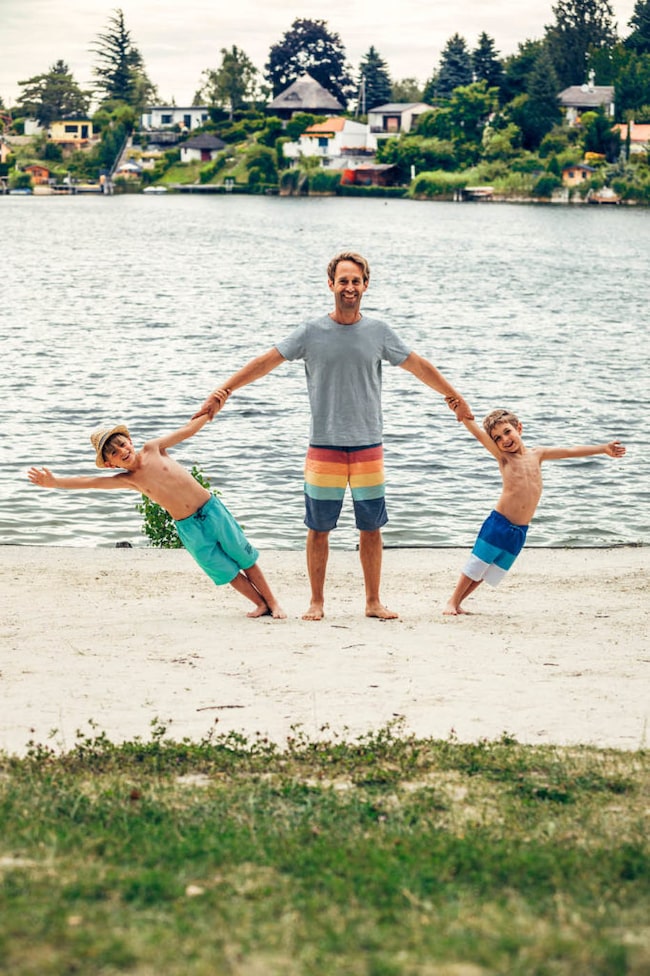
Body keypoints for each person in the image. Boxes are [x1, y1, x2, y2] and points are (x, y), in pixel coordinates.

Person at [193, 250, 472, 621]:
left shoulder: (379, 333)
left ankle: (373, 602)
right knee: (318, 528)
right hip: (323, 446)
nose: (350, 287)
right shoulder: (310, 332)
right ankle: (316, 602)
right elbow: (265, 362)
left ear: (366, 285)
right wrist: (223, 392)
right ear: (331, 285)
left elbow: (418, 365)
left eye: (356, 281)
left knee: (371, 528)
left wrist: (453, 397)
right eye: (343, 281)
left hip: (368, 445)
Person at [27, 415, 286, 619]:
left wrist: (210, 411)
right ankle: (260, 603)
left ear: (129, 439)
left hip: (211, 510)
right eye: (115, 453)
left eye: (122, 444)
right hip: (187, 527)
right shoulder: (128, 480)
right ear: (110, 464)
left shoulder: (154, 449)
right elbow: (90, 482)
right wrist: (56, 482)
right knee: (225, 569)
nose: (122, 451)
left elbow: (187, 430)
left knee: (243, 557)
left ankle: (273, 601)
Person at [444, 407, 626, 615]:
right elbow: (478, 434)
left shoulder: (538, 454)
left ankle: (459, 603)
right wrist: (463, 415)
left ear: (518, 428)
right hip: (499, 524)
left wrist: (603, 449)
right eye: (497, 438)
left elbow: (569, 451)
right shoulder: (504, 458)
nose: (504, 439)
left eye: (507, 432)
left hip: (520, 530)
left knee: (490, 570)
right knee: (477, 564)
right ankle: (451, 601)